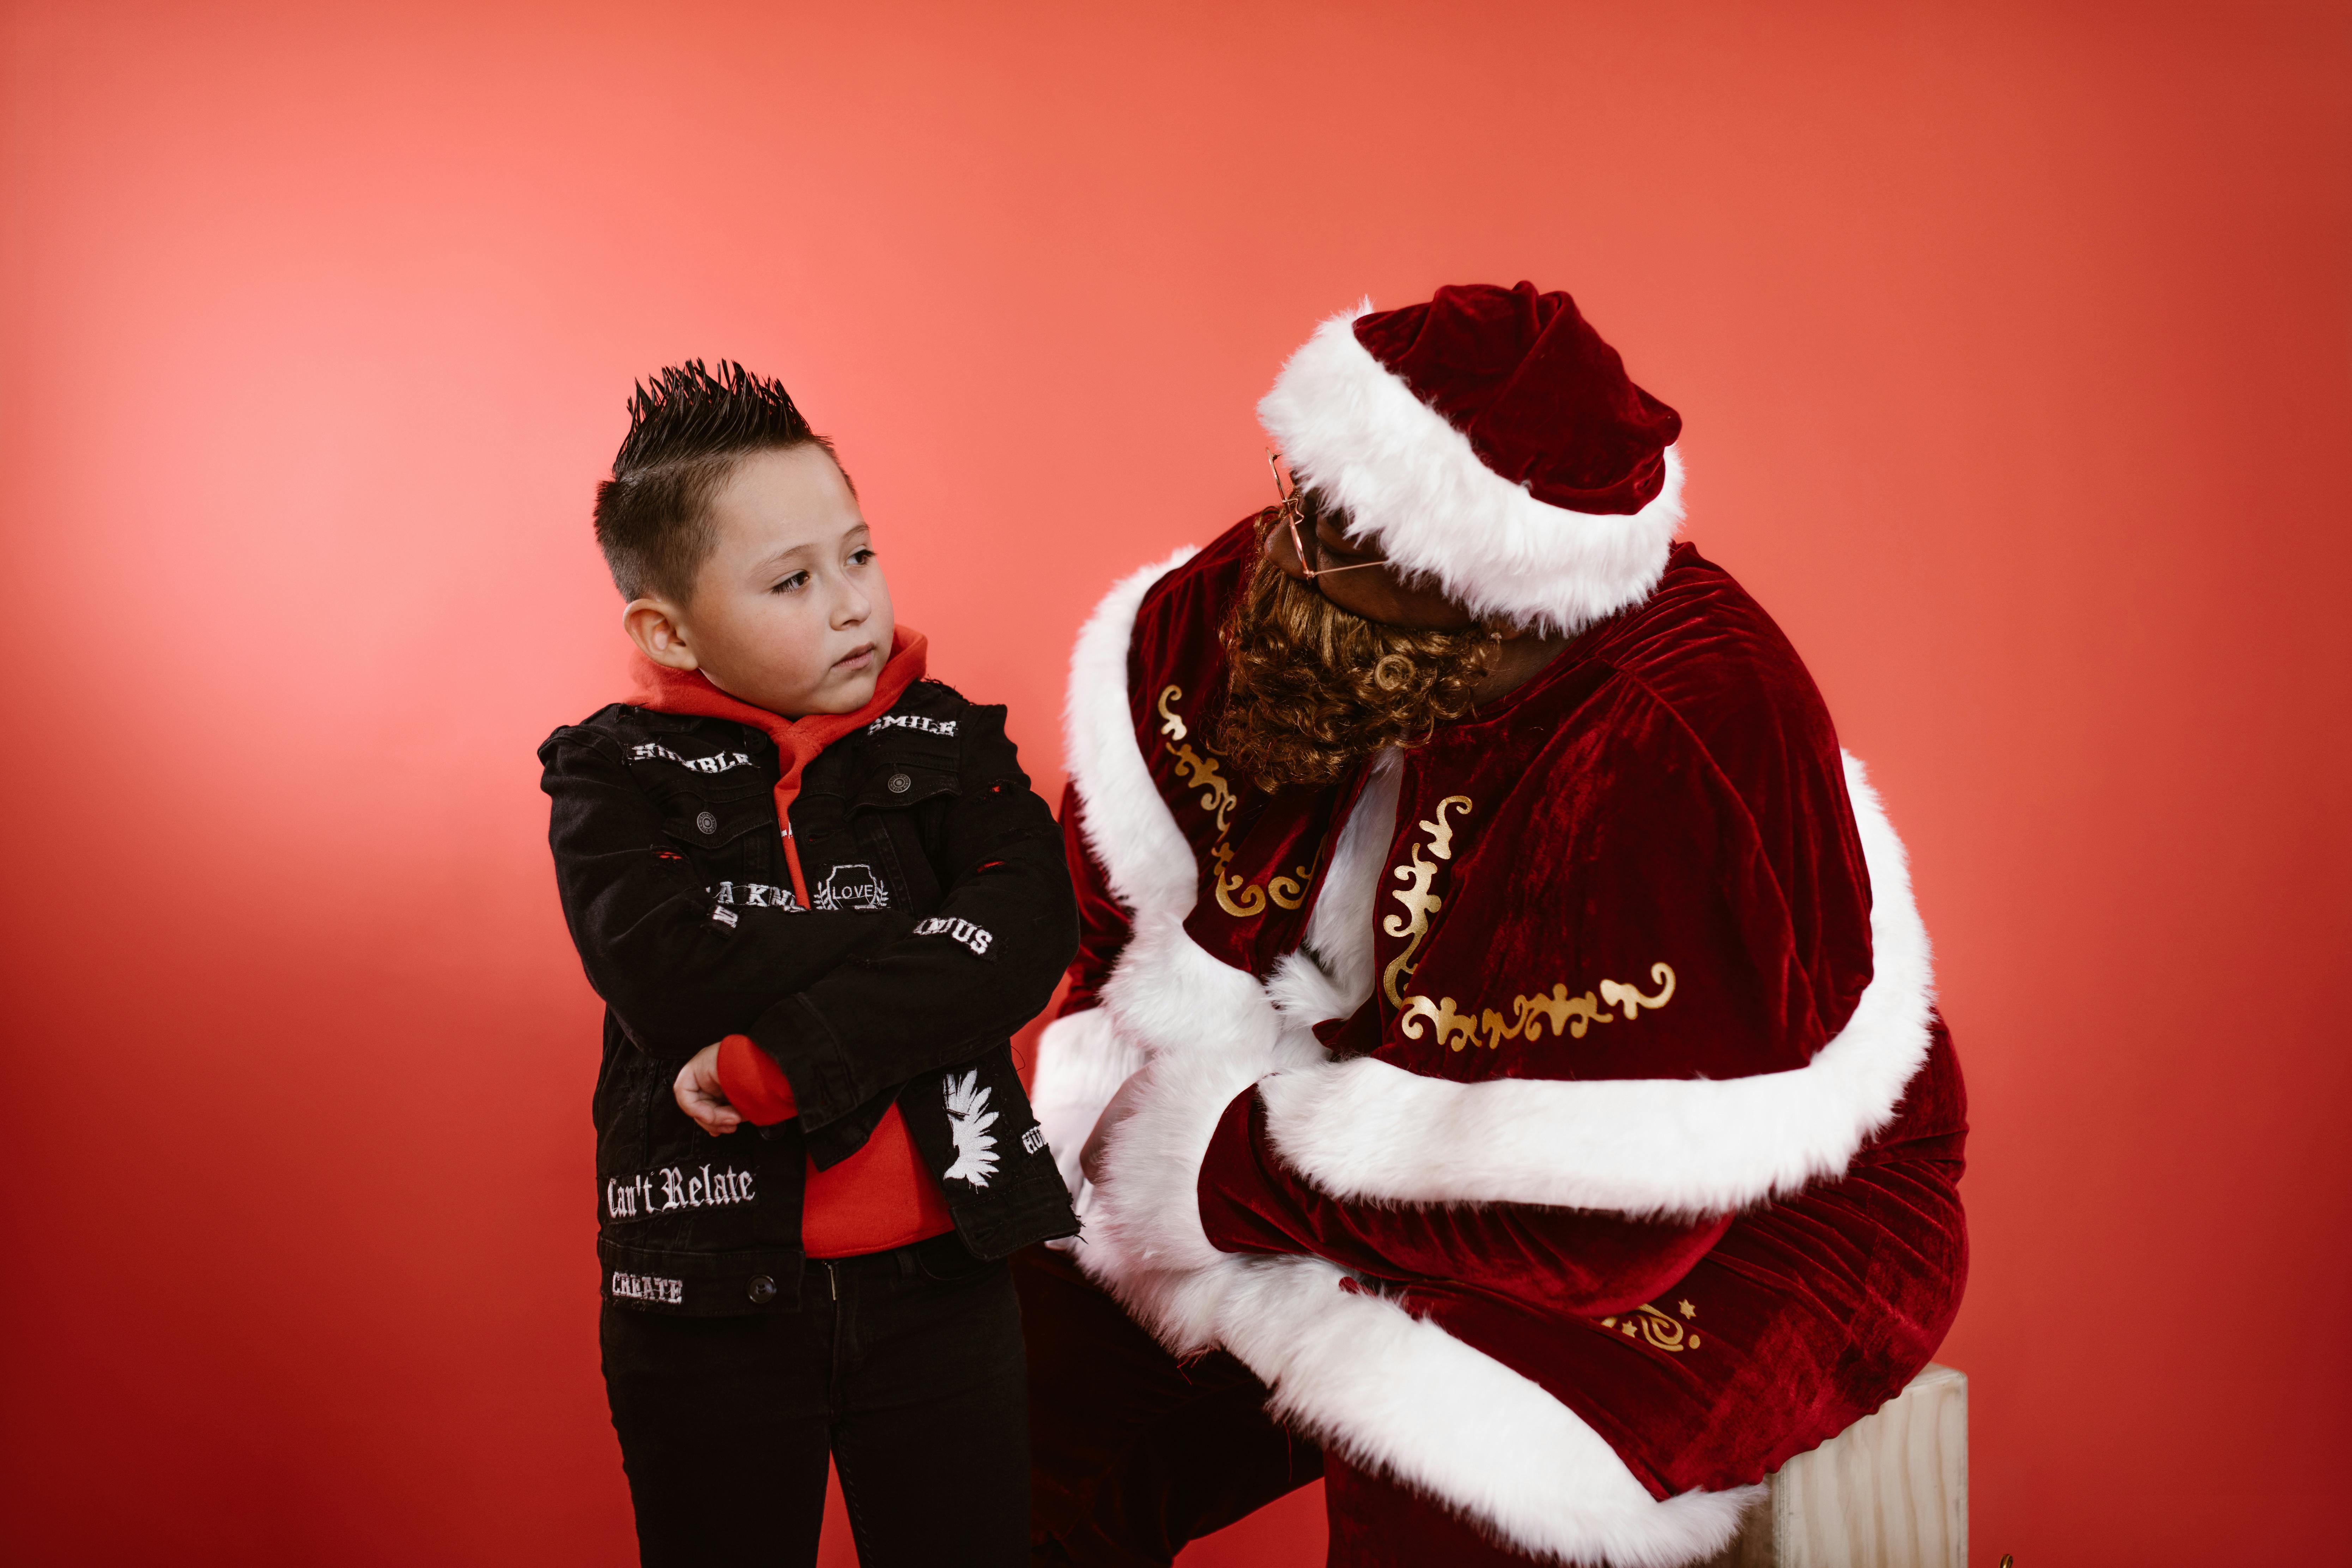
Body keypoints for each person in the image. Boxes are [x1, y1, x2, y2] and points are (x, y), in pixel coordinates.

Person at [1020, 284, 1968, 1566]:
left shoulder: (1683, 738)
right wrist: (1127, 1140)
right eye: (1298, 493)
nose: (1285, 548)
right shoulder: (1279, 594)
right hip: (1300, 1122)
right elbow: (1118, 927)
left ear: (1484, 593)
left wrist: (1217, 1169)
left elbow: (1609, 1225)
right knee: (1009, 1389)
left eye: (1341, 530)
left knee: (1446, 1486)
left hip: (1735, 1211)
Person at [538, 361, 1079, 1568]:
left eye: (860, 556)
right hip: (703, 1310)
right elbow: (666, 972)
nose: (850, 606)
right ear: (667, 628)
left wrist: (783, 1058)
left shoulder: (948, 742)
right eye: (791, 580)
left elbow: (1031, 934)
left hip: (948, 1282)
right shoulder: (605, 779)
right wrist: (929, 933)